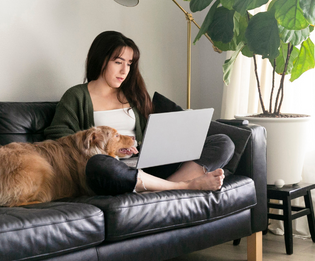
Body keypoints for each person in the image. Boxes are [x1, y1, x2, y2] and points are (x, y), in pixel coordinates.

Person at [44, 31, 234, 195]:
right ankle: (180, 186)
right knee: (99, 165)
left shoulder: (133, 95)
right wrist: (101, 149)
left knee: (223, 142)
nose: (124, 70)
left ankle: (162, 188)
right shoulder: (76, 96)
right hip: (113, 170)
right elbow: (59, 140)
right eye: (118, 62)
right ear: (101, 59)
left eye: (129, 63)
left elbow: (148, 138)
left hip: (145, 164)